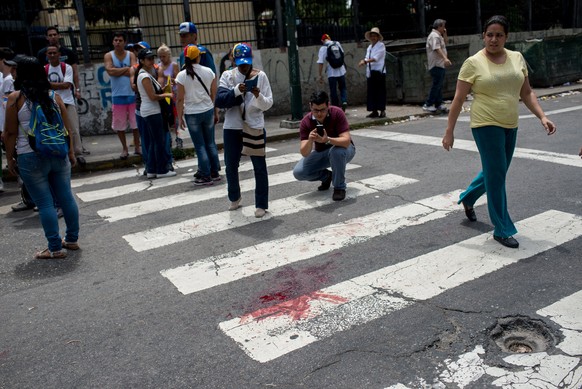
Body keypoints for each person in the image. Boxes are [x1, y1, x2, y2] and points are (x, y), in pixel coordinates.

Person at [442, 15, 556, 249]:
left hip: (510, 124)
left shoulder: (517, 58)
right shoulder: (473, 63)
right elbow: (458, 98)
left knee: (497, 172)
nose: (494, 39)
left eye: (499, 35)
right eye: (490, 34)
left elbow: (526, 93)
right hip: (485, 124)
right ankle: (502, 228)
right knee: (497, 177)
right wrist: (449, 131)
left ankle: (469, 197)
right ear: (483, 36)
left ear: (506, 37)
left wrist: (542, 116)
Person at [3, 56, 80, 259]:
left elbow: (9, 133)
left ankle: (54, 248)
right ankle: (71, 239)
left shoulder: (15, 98)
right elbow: (67, 129)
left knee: (45, 204)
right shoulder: (54, 96)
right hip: (58, 153)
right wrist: (71, 152)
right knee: (66, 198)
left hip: (30, 156)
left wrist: (10, 158)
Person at [216, 43, 273, 218]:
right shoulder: (228, 76)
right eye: (240, 62)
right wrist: (236, 91)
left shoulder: (260, 76)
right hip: (232, 127)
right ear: (233, 60)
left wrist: (257, 95)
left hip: (254, 125)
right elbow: (219, 100)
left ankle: (261, 204)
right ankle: (235, 197)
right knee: (231, 165)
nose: (244, 66)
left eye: (246, 62)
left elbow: (268, 103)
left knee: (259, 166)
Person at [292, 91, 356, 202]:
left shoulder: (337, 113)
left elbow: (346, 141)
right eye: (315, 110)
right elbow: (304, 153)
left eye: (323, 110)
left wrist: (328, 140)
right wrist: (310, 141)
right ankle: (326, 176)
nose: (319, 114)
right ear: (310, 106)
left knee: (337, 152)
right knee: (299, 172)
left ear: (328, 105)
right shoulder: (305, 122)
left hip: (344, 149)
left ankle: (339, 187)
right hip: (322, 152)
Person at [175, 44, 220, 186]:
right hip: (207, 110)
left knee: (200, 145)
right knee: (210, 143)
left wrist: (179, 117)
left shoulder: (182, 75)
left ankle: (205, 175)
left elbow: (180, 98)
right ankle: (214, 172)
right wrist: (215, 110)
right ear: (198, 57)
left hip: (192, 113)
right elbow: (214, 93)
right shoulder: (209, 72)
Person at [134, 48, 175, 179]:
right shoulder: (144, 75)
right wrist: (167, 94)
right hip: (151, 111)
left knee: (153, 141)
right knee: (159, 141)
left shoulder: (147, 74)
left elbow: (154, 92)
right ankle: (162, 169)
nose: (152, 61)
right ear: (141, 61)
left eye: (152, 58)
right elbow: (152, 96)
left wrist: (165, 88)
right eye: (148, 59)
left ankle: (151, 169)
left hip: (151, 110)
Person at [45, 45, 85, 165]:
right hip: (51, 103)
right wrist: (57, 85)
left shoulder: (66, 67)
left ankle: (78, 153)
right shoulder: (45, 69)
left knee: (73, 129)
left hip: (67, 102)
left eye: (54, 53)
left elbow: (67, 85)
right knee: (56, 130)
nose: (52, 55)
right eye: (50, 53)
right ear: (46, 55)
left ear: (59, 54)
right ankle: (63, 153)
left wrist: (49, 84)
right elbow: (45, 85)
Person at [104, 32, 140, 159]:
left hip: (131, 93)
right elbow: (110, 71)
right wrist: (127, 70)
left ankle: (137, 146)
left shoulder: (130, 54)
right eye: (115, 40)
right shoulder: (109, 55)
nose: (118, 42)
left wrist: (118, 71)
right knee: (119, 124)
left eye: (120, 40)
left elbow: (134, 70)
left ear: (124, 42)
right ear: (113, 42)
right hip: (117, 95)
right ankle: (124, 148)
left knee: (136, 123)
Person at [423, 19, 452, 113]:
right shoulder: (434, 36)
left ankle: (438, 104)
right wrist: (445, 59)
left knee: (439, 85)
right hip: (436, 64)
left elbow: (445, 43)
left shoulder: (438, 35)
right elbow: (437, 49)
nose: (444, 28)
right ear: (439, 26)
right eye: (443, 26)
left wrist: (445, 34)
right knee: (436, 85)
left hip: (440, 64)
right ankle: (428, 104)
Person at [157, 43, 183, 149]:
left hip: (174, 95)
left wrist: (167, 78)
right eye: (160, 56)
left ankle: (179, 140)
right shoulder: (158, 66)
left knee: (177, 119)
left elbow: (178, 79)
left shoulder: (174, 65)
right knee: (166, 119)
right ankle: (169, 141)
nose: (162, 58)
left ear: (169, 55)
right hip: (164, 95)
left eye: (164, 56)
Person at [358, 27, 386, 118]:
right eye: (372, 36)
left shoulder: (381, 46)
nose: (373, 38)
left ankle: (382, 110)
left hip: (379, 71)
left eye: (375, 36)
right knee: (372, 92)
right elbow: (367, 57)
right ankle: (374, 111)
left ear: (378, 37)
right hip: (370, 72)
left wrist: (365, 61)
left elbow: (376, 58)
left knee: (380, 91)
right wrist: (364, 60)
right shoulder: (370, 47)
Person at [318, 34, 348, 111]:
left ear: (322, 41)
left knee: (333, 90)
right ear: (329, 38)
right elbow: (342, 54)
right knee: (343, 88)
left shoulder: (323, 48)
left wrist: (320, 75)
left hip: (331, 72)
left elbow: (321, 62)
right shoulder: (337, 43)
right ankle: (344, 101)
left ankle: (336, 108)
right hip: (341, 70)